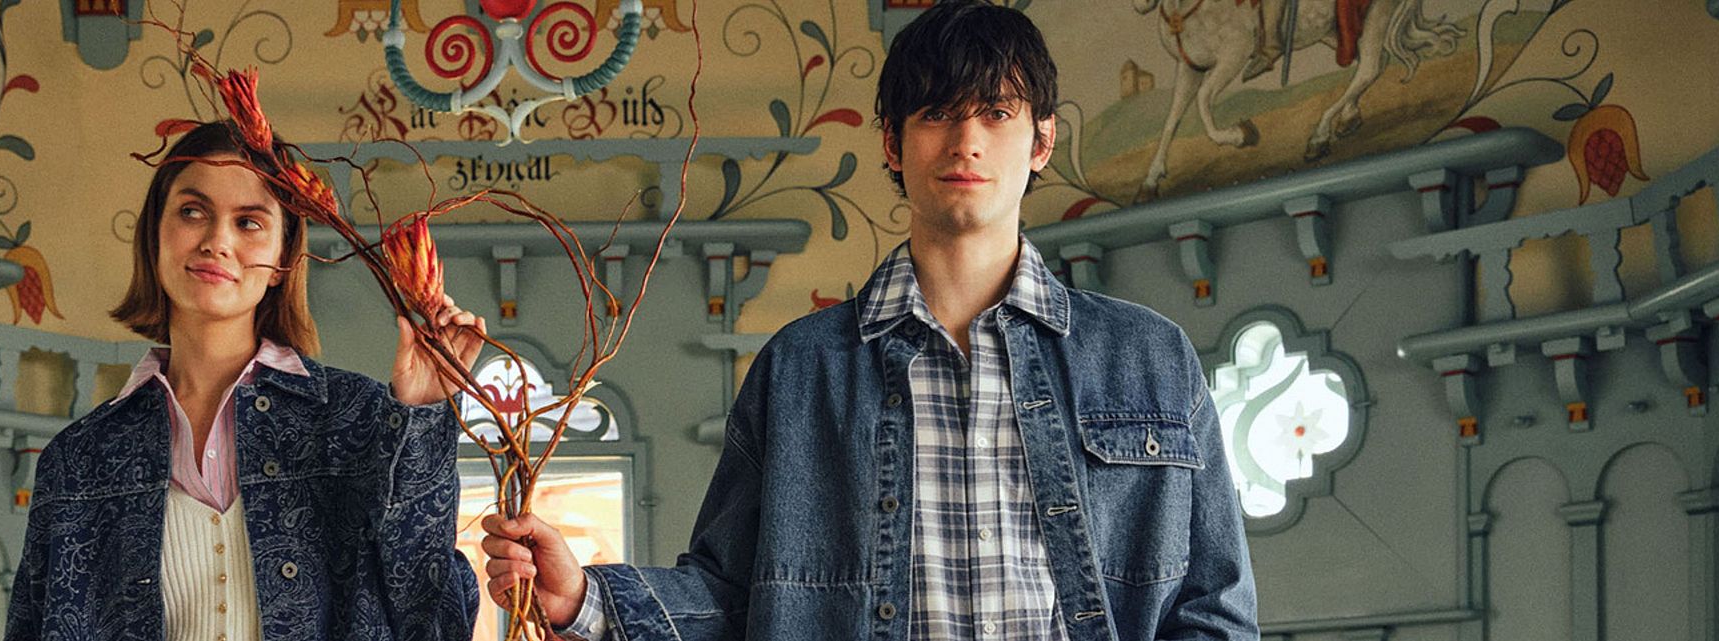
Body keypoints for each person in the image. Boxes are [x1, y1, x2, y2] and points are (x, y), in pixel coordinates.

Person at [477, 2, 1258, 640]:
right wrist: (585, 596)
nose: (966, 141)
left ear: (1042, 139)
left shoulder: (1149, 357)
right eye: (937, 115)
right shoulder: (800, 369)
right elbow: (735, 595)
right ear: (892, 139)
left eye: (996, 112)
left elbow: (1212, 607)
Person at [5, 120, 485, 641]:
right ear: (155, 235)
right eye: (192, 212)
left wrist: (420, 418)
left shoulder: (361, 421)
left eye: (250, 222)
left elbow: (431, 613)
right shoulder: (80, 460)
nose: (217, 241)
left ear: (282, 259)